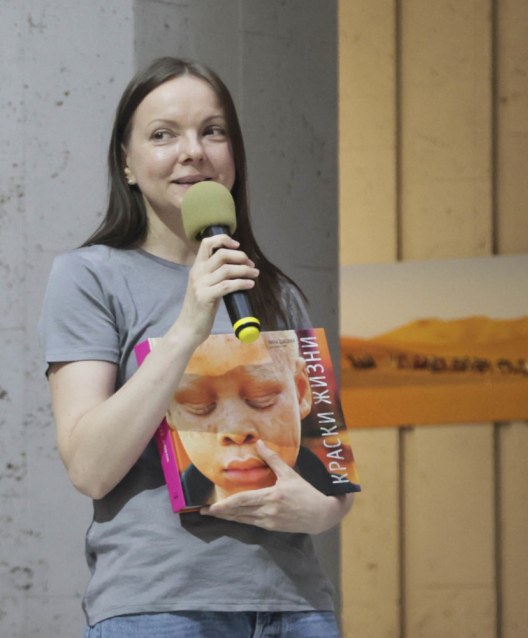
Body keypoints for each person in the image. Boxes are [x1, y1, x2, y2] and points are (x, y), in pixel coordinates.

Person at [38, 56, 353, 636]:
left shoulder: (274, 290)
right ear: (127, 163)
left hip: (297, 605)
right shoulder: (89, 277)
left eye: (213, 131)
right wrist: (188, 326)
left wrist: (323, 511)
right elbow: (90, 468)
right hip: (160, 607)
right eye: (163, 135)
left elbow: (328, 465)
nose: (193, 152)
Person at [165, 331, 332, 505]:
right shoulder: (159, 509)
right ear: (167, 410)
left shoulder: (339, 496)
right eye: (199, 405)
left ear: (301, 392)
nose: (236, 433)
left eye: (261, 398)